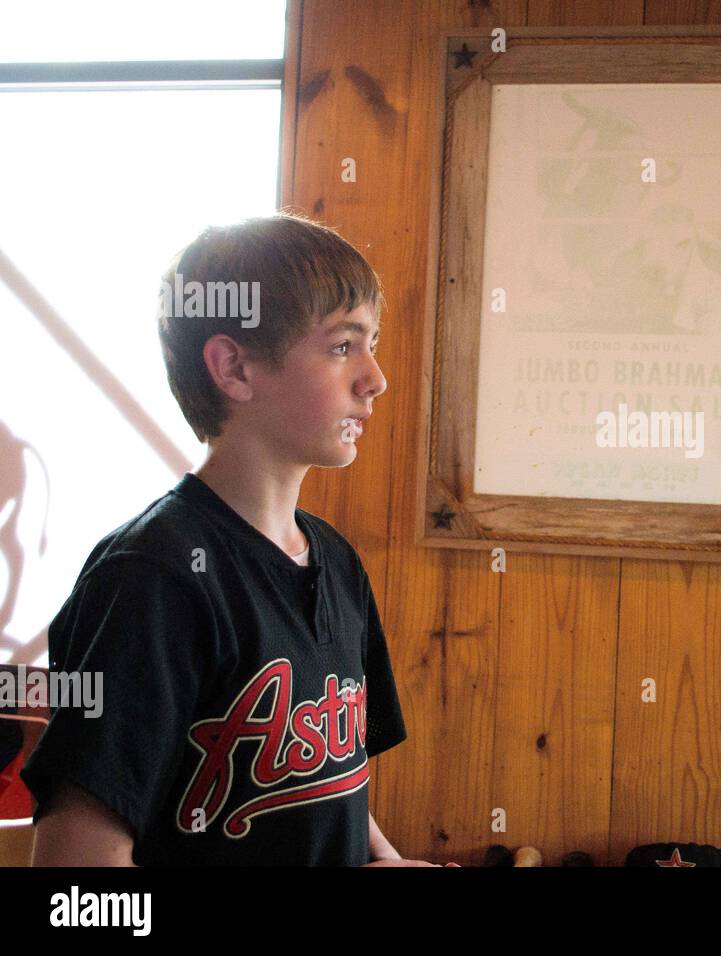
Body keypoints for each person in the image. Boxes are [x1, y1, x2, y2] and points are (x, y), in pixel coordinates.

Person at [22, 214, 432, 866]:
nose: (375, 377)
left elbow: (328, 780)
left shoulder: (337, 561)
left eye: (371, 342)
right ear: (235, 368)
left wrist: (385, 858)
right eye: (341, 346)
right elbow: (76, 869)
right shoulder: (150, 579)